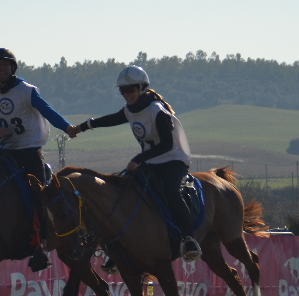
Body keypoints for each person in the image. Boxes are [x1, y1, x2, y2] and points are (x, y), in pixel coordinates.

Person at [69, 65, 202, 262]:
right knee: (122, 189)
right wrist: (82, 127)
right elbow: (111, 119)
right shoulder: (131, 110)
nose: (126, 94)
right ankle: (120, 246)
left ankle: (189, 238)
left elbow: (167, 144)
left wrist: (138, 159)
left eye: (130, 90)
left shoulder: (157, 111)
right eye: (123, 90)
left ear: (141, 88)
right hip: (151, 161)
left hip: (174, 160)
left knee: (172, 192)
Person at [0, 48, 80, 271]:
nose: (1, 68)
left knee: (37, 195)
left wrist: (67, 127)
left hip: (29, 151)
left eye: (5, 65)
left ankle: (42, 244)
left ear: (12, 68)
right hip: (7, 151)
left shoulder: (26, 91)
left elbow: (47, 111)